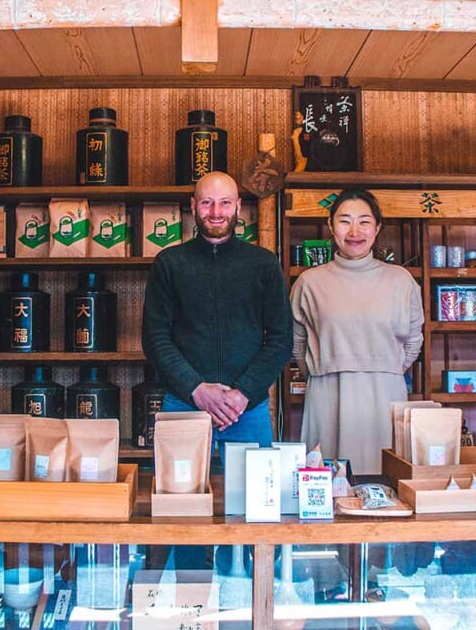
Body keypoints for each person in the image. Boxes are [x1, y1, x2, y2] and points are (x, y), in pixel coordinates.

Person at [142, 171, 292, 448]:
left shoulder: (264, 264)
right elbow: (155, 338)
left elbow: (281, 340)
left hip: (246, 409)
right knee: (179, 491)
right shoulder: (169, 263)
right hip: (184, 403)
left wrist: (242, 393)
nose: (216, 212)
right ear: (192, 206)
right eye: (206, 203)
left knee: (255, 492)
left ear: (238, 206)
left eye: (225, 203)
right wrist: (196, 389)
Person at [290, 188, 424, 475]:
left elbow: (414, 342)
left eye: (364, 221)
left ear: (377, 228)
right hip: (327, 393)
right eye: (344, 221)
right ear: (330, 226)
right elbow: (298, 343)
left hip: (385, 395)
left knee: (387, 484)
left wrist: (383, 368)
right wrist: (326, 367)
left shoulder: (401, 280)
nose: (354, 231)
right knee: (327, 487)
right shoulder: (309, 282)